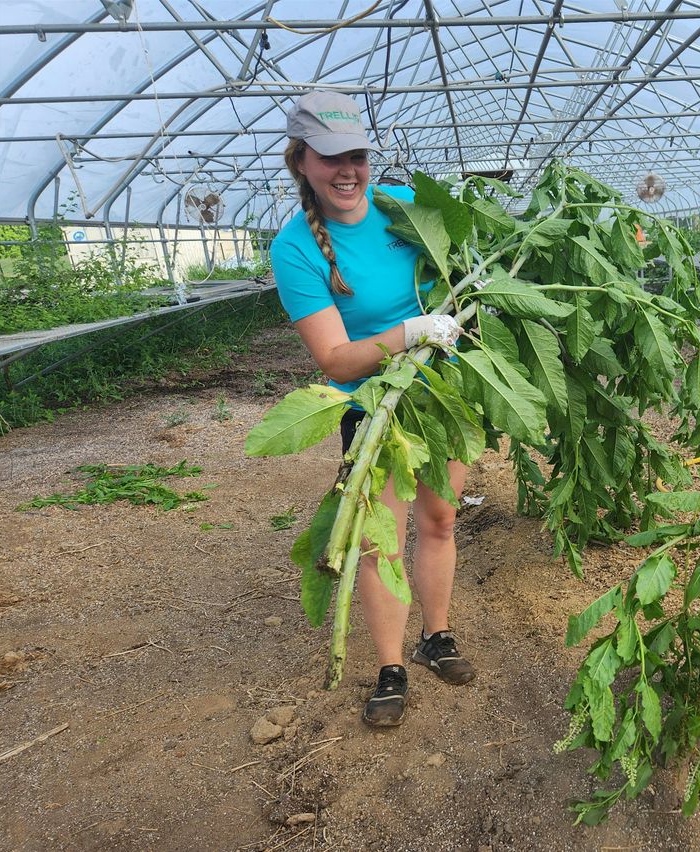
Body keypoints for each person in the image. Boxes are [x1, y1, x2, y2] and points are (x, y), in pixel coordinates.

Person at [270, 91, 474, 728]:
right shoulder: (295, 248)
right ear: (301, 160)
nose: (347, 170)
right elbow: (334, 359)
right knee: (378, 536)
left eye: (356, 155)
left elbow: (461, 270)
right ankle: (391, 665)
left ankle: (435, 635)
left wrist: (464, 312)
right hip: (375, 403)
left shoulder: (403, 207)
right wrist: (411, 333)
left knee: (439, 519)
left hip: (442, 391)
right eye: (330, 158)